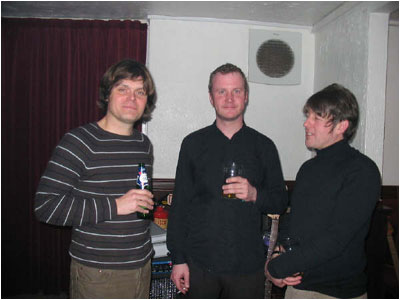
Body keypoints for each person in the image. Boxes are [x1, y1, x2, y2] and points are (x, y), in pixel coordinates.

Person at [34, 59, 157, 298]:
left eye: (140, 92)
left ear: (146, 101)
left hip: (142, 264)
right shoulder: (79, 141)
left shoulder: (144, 144)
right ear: (107, 95)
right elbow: (45, 206)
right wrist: (115, 205)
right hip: (100, 272)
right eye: (123, 89)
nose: (132, 98)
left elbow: (136, 200)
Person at [167, 63, 288, 298]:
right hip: (199, 264)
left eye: (236, 91)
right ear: (211, 98)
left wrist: (255, 195)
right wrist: (178, 259)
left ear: (246, 97)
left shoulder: (264, 146)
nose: (229, 98)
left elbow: (280, 202)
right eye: (221, 91)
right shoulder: (192, 144)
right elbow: (180, 206)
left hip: (248, 266)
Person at [266, 84, 381, 299]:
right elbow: (294, 222)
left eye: (316, 118)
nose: (306, 123)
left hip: (336, 293)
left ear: (341, 126)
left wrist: (276, 267)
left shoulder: (362, 171)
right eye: (307, 116)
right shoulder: (308, 169)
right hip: (297, 287)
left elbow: (336, 238)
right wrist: (278, 254)